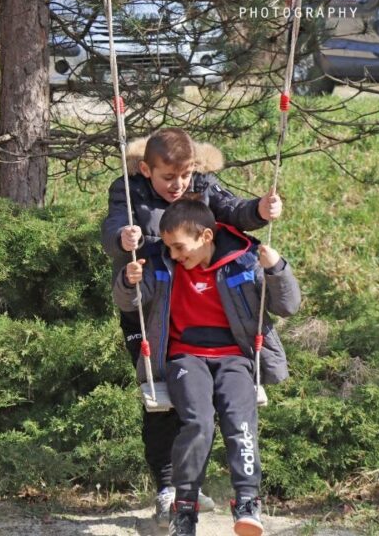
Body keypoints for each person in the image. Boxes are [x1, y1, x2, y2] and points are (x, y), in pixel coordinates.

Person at [99, 128, 282, 525]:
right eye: (168, 177)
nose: (178, 185)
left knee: (200, 402)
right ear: (147, 170)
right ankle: (168, 488)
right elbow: (111, 229)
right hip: (147, 307)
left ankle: (195, 485)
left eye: (185, 175)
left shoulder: (202, 184)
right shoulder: (128, 190)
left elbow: (232, 210)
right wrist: (122, 237)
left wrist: (259, 209)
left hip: (192, 308)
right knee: (161, 393)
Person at [114, 199, 301, 536]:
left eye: (179, 247)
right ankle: (185, 509)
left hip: (235, 358)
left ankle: (247, 502)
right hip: (185, 358)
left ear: (205, 236)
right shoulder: (160, 263)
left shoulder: (244, 260)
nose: (173, 254)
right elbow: (130, 303)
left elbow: (287, 305)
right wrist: (129, 281)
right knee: (198, 423)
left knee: (240, 422)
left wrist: (277, 268)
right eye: (169, 247)